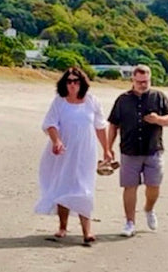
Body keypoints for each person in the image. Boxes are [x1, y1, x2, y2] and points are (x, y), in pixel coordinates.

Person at [34, 67, 114, 245]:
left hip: (86, 151)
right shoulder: (59, 102)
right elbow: (50, 124)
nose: (72, 85)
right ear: (64, 83)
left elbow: (100, 127)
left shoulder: (92, 101)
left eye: (76, 81)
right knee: (64, 186)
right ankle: (63, 226)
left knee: (84, 187)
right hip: (63, 150)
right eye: (69, 81)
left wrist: (107, 149)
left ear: (82, 83)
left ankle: (87, 231)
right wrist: (56, 141)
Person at [106, 64, 168, 237]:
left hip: (153, 149)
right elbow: (113, 124)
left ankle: (149, 209)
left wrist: (158, 119)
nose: (143, 85)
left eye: (146, 82)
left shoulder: (158, 96)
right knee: (129, 187)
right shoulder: (122, 100)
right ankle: (130, 222)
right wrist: (108, 148)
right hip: (129, 151)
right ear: (133, 80)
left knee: (154, 186)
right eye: (139, 82)